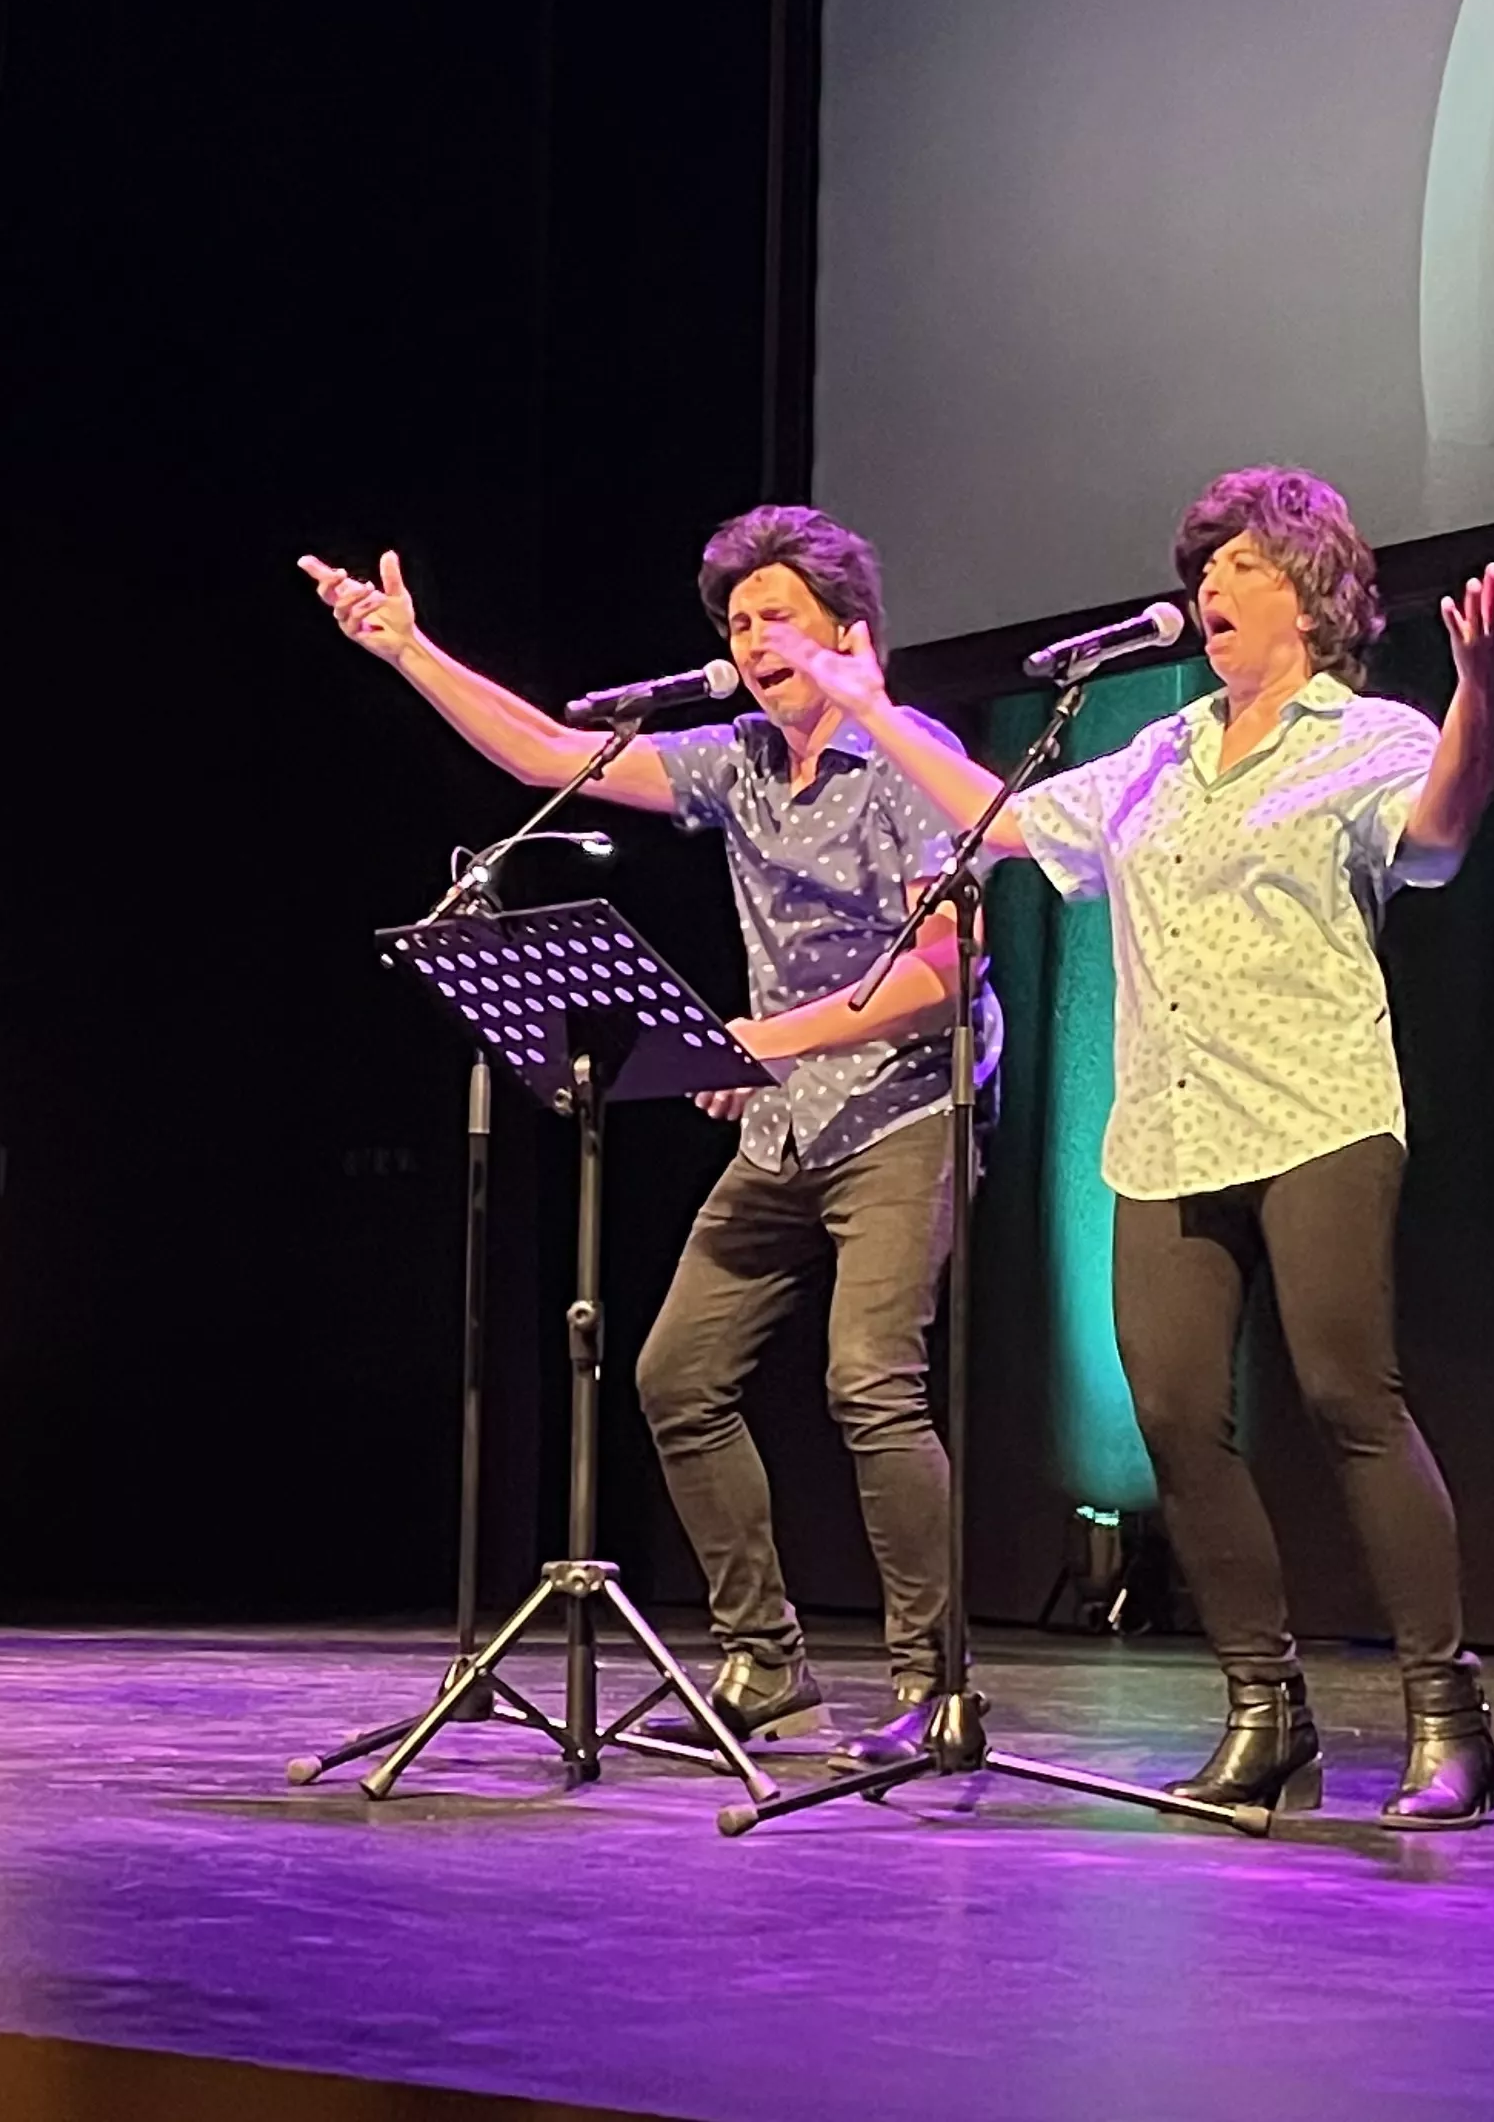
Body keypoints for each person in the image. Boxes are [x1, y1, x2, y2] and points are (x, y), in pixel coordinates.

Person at [757, 466, 1494, 1828]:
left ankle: (1444, 1715)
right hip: (1168, 1126)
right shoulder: (1162, 755)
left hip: (1317, 1109)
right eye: (1203, 571)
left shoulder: (1371, 737)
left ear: (1310, 591)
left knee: (1352, 1397)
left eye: (1235, 568)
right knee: (1176, 1414)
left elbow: (1440, 838)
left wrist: (1484, 689)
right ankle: (1262, 1708)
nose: (1207, 591)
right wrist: (873, 704)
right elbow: (998, 825)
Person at [302, 507, 1000, 1763]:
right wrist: (408, 650)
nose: (751, 637)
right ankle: (767, 1664)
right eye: (737, 623)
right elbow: (549, 757)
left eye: (776, 615)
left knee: (869, 1383)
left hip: (901, 1111)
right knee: (677, 1376)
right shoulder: (736, 760)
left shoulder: (909, 759)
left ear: (850, 634)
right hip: (786, 1127)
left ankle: (933, 1685)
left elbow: (949, 969)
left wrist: (767, 1041)